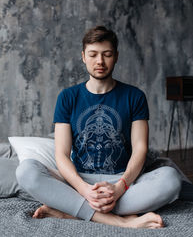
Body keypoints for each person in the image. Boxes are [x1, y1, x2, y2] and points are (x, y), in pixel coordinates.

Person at [16, 26, 182, 229]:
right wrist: (84, 190)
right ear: (83, 56)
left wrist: (120, 187)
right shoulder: (68, 97)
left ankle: (72, 212)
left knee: (171, 179)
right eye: (93, 55)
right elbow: (61, 154)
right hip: (79, 183)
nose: (100, 62)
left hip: (122, 181)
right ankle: (120, 221)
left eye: (107, 54)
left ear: (116, 56)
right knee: (26, 171)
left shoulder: (134, 96)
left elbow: (140, 148)